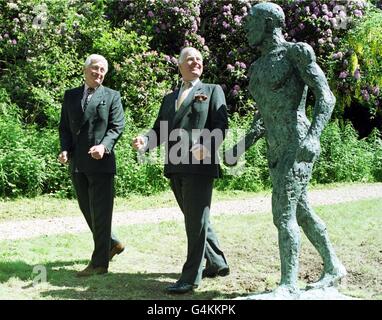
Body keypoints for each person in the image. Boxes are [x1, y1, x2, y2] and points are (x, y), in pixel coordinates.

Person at [227, 2, 346, 297]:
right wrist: (241, 146)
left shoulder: (295, 53)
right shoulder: (256, 67)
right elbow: (264, 115)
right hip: (275, 147)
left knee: (283, 214)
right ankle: (334, 267)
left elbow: (326, 97)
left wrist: (314, 137)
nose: (246, 27)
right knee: (301, 211)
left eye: (251, 21)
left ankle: (288, 284)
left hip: (297, 142)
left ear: (268, 23)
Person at [133, 47, 229, 294]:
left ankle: (190, 278)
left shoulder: (212, 91)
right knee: (195, 219)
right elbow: (159, 131)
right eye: (190, 59)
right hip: (174, 167)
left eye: (199, 59)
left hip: (199, 166)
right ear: (180, 66)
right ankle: (217, 262)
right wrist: (145, 142)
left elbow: (221, 126)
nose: (195, 62)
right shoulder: (168, 99)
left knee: (194, 224)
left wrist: (206, 147)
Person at [58, 54, 126, 277]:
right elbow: (65, 128)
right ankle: (112, 243)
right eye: (95, 69)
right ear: (85, 70)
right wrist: (65, 149)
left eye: (103, 71)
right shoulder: (71, 96)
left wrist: (104, 147)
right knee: (88, 210)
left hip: (101, 163)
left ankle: (99, 264)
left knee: (102, 212)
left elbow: (117, 127)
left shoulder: (112, 96)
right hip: (78, 163)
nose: (99, 73)